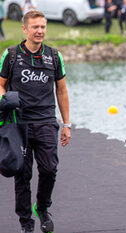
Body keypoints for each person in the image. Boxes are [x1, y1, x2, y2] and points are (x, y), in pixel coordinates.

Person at [0, 11, 71, 233]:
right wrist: (4, 99)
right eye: (35, 27)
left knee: (49, 169)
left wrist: (67, 124)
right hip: (18, 124)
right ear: (25, 29)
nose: (40, 31)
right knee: (23, 175)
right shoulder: (11, 55)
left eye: (42, 27)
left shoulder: (54, 56)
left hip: (46, 121)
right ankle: (26, 223)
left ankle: (42, 207)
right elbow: (0, 84)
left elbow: (61, 90)